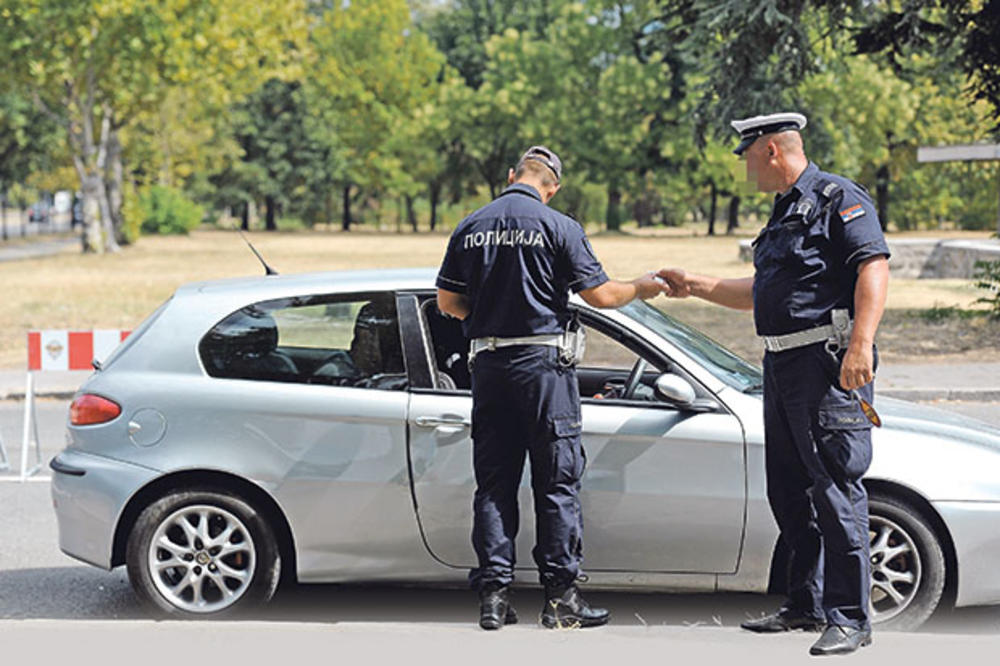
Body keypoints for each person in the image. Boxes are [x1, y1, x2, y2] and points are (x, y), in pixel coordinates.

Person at [657, 113, 889, 656]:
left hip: (826, 366)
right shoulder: (787, 209)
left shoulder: (837, 198)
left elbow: (872, 267)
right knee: (789, 492)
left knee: (836, 490)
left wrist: (860, 344)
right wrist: (695, 285)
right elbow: (758, 291)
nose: (744, 170)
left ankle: (851, 619)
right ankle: (805, 605)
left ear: (769, 151)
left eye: (746, 157)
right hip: (782, 366)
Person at [436, 145, 665, 631]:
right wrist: (641, 287)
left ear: (511, 174)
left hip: (490, 367)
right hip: (544, 368)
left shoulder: (471, 226)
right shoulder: (561, 227)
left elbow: (448, 302)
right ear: (553, 186)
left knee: (494, 484)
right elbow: (600, 296)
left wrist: (486, 314)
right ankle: (561, 599)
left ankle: (494, 599)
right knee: (556, 484)